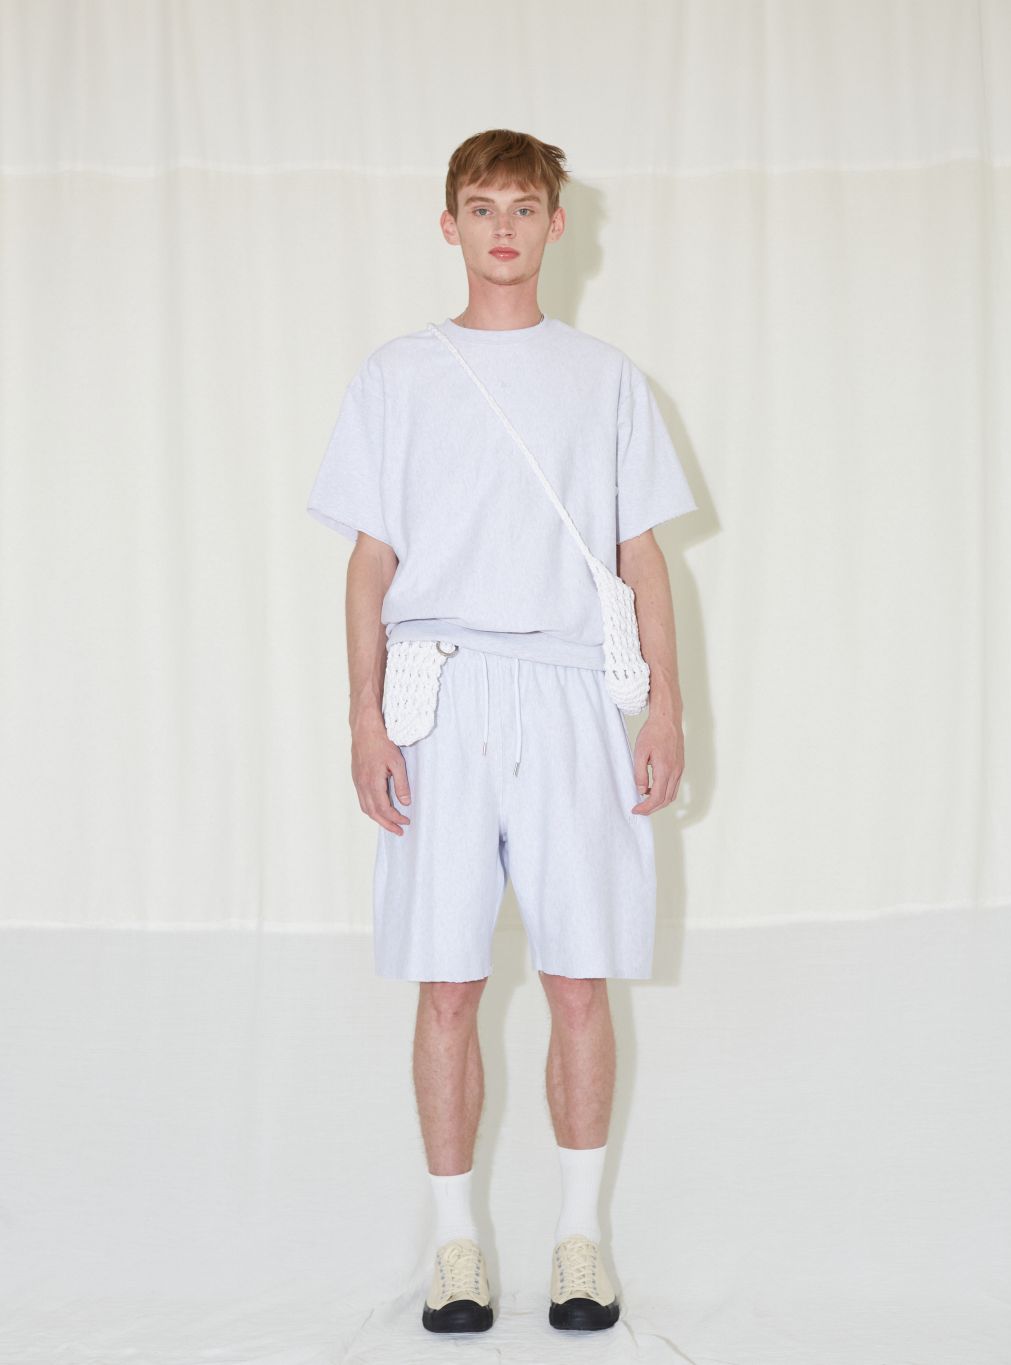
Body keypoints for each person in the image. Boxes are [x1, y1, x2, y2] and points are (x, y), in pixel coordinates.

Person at [306, 129, 698, 1335]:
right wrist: (364, 712)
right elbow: (370, 561)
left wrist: (666, 702)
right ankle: (456, 1247)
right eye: (481, 207)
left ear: (556, 224)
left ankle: (580, 1243)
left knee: (579, 973)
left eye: (524, 207)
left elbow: (640, 553)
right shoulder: (398, 375)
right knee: (448, 979)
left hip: (572, 688)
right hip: (441, 687)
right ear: (450, 225)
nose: (504, 229)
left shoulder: (606, 379)